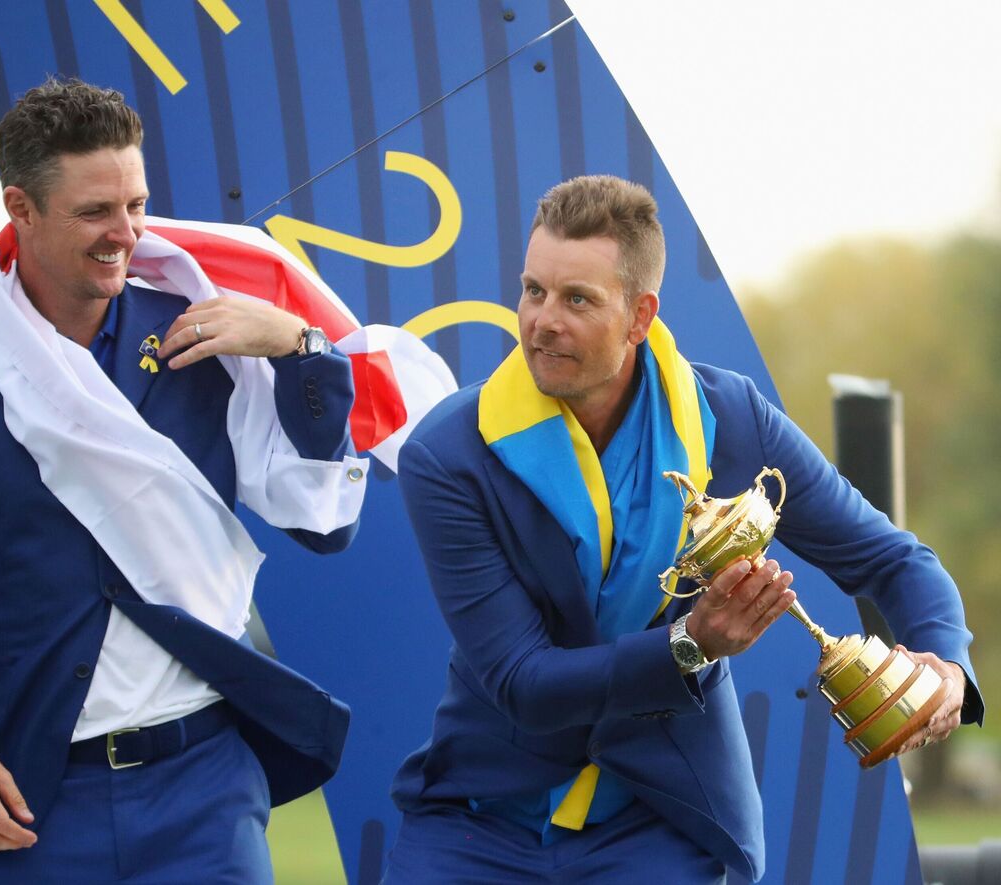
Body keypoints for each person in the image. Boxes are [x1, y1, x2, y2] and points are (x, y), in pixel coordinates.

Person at [382, 175, 982, 883]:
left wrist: (946, 667)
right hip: (478, 819)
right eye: (533, 289)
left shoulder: (731, 419)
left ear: (640, 316)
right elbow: (525, 682)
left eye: (578, 299)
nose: (542, 320)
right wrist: (690, 646)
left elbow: (895, 560)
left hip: (659, 819)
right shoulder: (447, 454)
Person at [0, 78, 372, 883]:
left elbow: (324, 524)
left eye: (137, 204)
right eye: (96, 212)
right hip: (24, 800)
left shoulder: (205, 333)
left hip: (206, 790)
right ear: (20, 209)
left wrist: (302, 347)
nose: (125, 232)